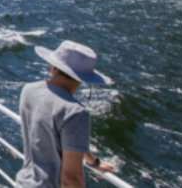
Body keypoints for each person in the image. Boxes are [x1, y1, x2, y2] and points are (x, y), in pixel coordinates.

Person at [16, 40, 116, 188]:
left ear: (53, 67)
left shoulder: (28, 90)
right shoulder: (76, 112)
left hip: (23, 182)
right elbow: (71, 179)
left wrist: (93, 161)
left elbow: (69, 142)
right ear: (83, 80)